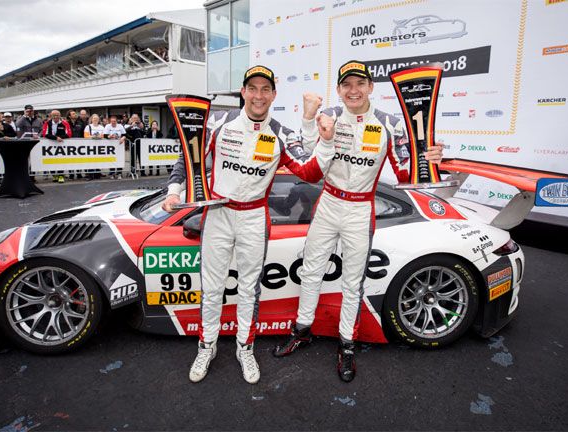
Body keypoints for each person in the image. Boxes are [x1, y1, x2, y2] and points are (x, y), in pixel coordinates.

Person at [161, 65, 336, 384]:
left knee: (248, 289)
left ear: (273, 95)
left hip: (254, 217)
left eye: (265, 89)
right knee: (212, 288)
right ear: (242, 92)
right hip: (218, 214)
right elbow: (187, 158)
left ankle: (245, 348)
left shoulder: (282, 133)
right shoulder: (217, 121)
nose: (258, 95)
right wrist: (175, 192)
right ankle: (207, 345)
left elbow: (310, 173)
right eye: (252, 88)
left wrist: (323, 140)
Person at [272, 60, 444, 382]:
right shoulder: (331, 117)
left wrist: (430, 160)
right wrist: (309, 120)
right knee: (311, 272)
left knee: (352, 282)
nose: (353, 90)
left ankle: (347, 343)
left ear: (370, 87)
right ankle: (302, 329)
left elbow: (408, 173)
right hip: (329, 203)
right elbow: (309, 158)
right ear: (338, 89)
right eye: (346, 84)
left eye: (359, 83)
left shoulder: (389, 124)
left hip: (361, 210)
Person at [41, 110, 72, 183]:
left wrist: (60, 138)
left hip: (61, 145)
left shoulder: (65, 123)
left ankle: (61, 176)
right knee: (51, 161)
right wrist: (56, 138)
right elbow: (45, 134)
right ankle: (54, 175)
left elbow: (69, 134)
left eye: (57, 115)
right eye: (54, 115)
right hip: (50, 145)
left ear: (60, 115)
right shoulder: (47, 123)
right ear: (51, 116)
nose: (56, 116)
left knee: (60, 161)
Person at [103, 115, 126, 180]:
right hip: (111, 146)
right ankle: (112, 173)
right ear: (110, 121)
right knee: (112, 159)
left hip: (119, 145)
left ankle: (119, 173)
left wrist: (123, 138)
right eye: (112, 121)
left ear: (116, 121)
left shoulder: (120, 126)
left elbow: (124, 134)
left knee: (119, 159)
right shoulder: (108, 126)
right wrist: (109, 136)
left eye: (114, 121)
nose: (113, 122)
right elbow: (104, 135)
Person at [84, 114, 105, 180]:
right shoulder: (88, 126)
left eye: (97, 118)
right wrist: (93, 137)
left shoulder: (101, 127)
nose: (95, 119)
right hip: (90, 146)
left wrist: (100, 136)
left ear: (99, 120)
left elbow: (104, 135)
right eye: (94, 118)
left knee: (98, 159)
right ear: (91, 119)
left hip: (99, 146)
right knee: (90, 160)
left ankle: (97, 173)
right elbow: (85, 136)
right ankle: (90, 174)